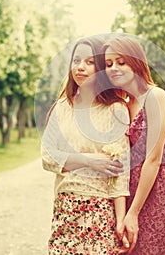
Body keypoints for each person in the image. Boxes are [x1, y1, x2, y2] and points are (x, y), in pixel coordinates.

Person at [102, 35, 165, 254]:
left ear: (135, 61)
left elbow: (154, 159)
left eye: (121, 61)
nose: (113, 68)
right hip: (132, 190)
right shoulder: (124, 104)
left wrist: (134, 212)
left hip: (156, 195)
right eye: (108, 64)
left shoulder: (156, 97)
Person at [41, 36, 131, 254]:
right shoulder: (62, 107)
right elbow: (47, 157)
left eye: (90, 62)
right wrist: (89, 161)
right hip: (66, 207)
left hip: (100, 209)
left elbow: (121, 172)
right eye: (76, 60)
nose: (80, 67)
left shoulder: (116, 109)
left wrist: (121, 221)